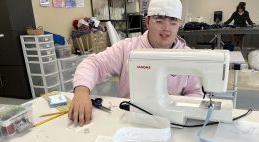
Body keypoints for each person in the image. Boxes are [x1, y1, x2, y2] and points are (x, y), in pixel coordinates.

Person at [68, 0, 204, 126]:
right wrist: (81, 91)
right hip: (131, 120)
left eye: (173, 22)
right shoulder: (127, 49)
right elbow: (94, 64)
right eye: (159, 21)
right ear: (147, 21)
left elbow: (195, 92)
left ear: (179, 25)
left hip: (172, 123)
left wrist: (175, 105)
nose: (166, 28)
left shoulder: (187, 55)